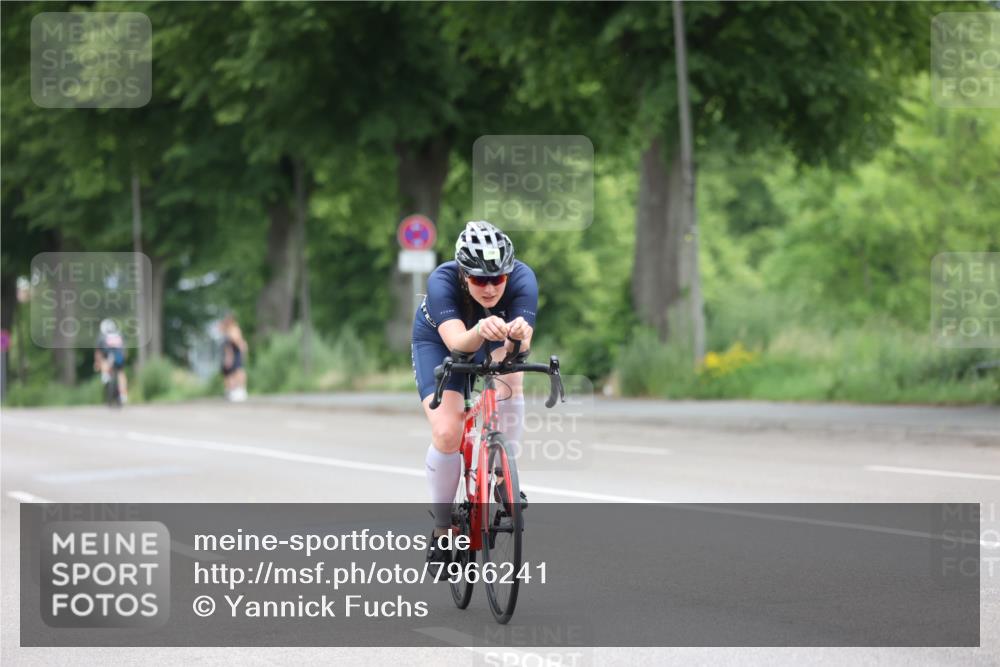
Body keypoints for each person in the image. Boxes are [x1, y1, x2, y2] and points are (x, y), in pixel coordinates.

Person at [411, 220, 537, 563]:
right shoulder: (441, 281)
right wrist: (482, 326)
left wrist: (518, 337)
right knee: (448, 432)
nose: (490, 287)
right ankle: (441, 529)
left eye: (498, 278)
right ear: (464, 275)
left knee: (512, 377)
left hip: (491, 337)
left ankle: (502, 476)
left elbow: (518, 350)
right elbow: (456, 345)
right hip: (440, 343)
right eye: (480, 279)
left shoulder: (524, 279)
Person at [94, 318, 127, 404]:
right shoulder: (119, 334)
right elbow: (124, 349)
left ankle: (105, 374)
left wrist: (97, 363)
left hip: (108, 357)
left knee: (104, 361)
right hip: (119, 356)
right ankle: (123, 394)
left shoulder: (102, 336)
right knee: (121, 373)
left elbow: (98, 352)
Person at [220, 314, 249, 401]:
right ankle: (233, 390)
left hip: (236, 354)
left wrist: (242, 352)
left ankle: (240, 390)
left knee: (238, 371)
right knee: (230, 373)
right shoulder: (227, 331)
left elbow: (238, 342)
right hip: (231, 354)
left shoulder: (234, 330)